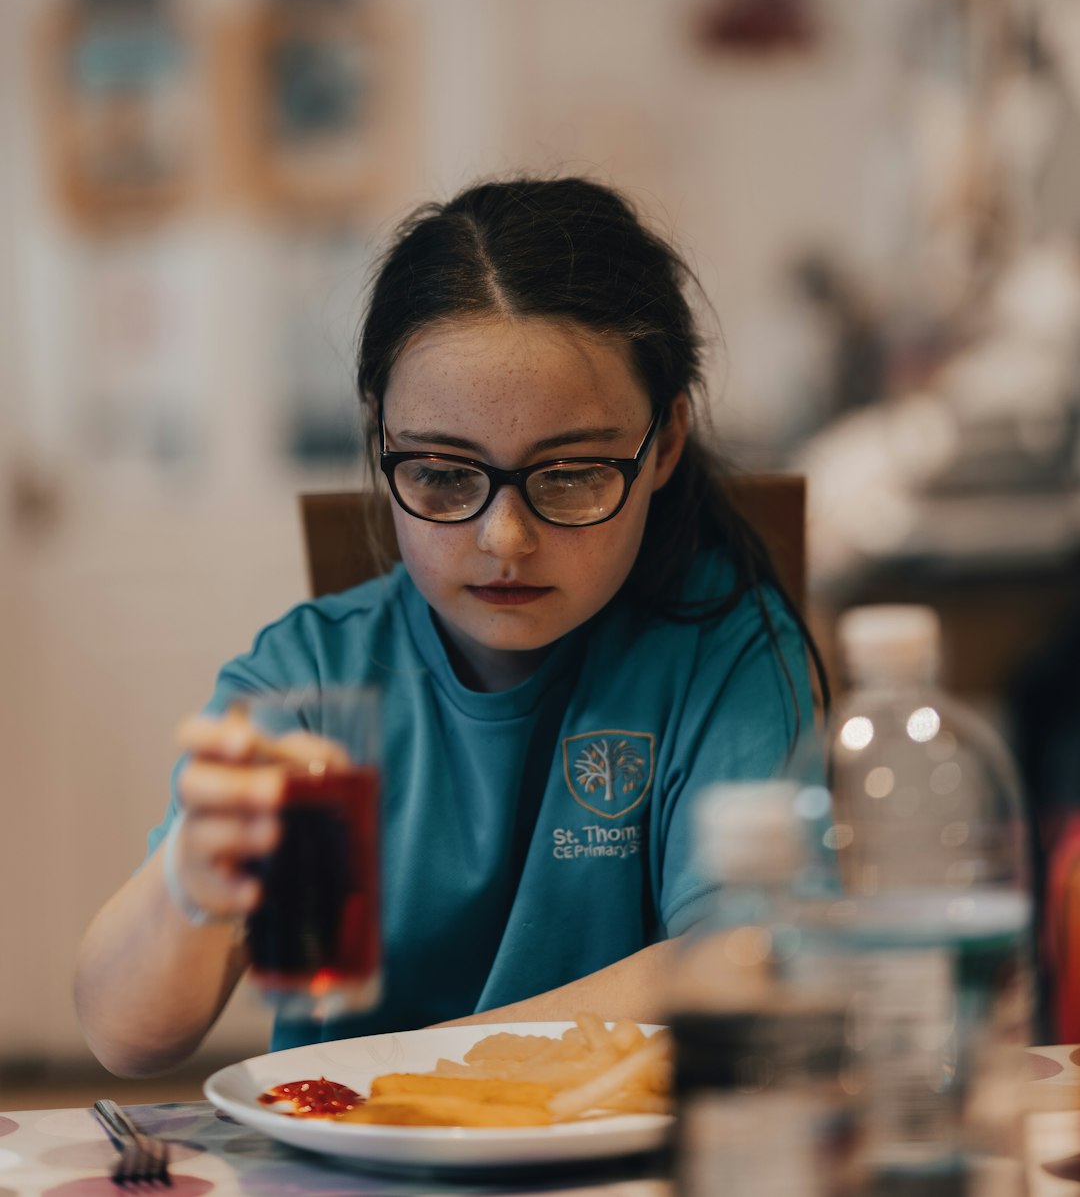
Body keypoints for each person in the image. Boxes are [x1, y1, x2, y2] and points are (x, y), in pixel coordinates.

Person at [75, 174, 824, 1076]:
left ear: (663, 443)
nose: (504, 539)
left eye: (573, 473)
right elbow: (125, 1037)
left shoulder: (723, 649)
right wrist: (193, 890)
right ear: (380, 439)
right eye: (440, 474)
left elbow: (748, 960)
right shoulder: (314, 680)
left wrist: (410, 1075)